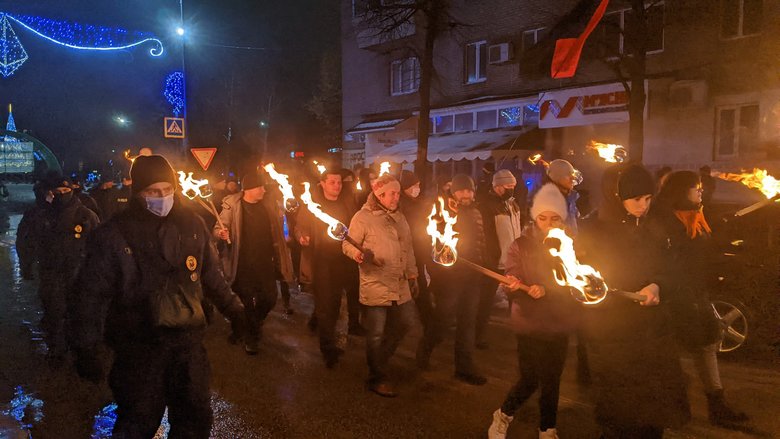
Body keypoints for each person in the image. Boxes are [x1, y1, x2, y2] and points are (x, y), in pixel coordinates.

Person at [69, 155, 246, 438]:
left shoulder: (192, 226)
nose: (162, 197)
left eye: (167, 190)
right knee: (137, 421)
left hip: (188, 347)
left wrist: (235, 311)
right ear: (138, 192)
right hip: (139, 349)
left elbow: (212, 277)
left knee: (195, 419)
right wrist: (85, 346)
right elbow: (90, 294)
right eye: (153, 191)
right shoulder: (115, 234)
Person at [574, 164, 690, 438]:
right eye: (636, 199)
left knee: (653, 412)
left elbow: (675, 268)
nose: (643, 206)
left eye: (648, 199)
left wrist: (659, 284)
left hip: (653, 333)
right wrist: (591, 292)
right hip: (614, 335)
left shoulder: (660, 225)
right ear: (619, 196)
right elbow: (581, 278)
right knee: (621, 415)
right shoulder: (595, 228)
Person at [651, 170, 748, 428]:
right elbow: (670, 261)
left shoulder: (698, 216)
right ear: (681, 190)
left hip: (696, 292)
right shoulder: (665, 220)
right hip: (675, 296)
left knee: (707, 343)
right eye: (696, 187)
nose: (700, 191)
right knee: (673, 350)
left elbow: (704, 253)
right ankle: (668, 405)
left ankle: (717, 404)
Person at [487, 182, 580, 439]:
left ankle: (547, 428)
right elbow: (511, 275)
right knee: (530, 378)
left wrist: (548, 288)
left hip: (559, 320)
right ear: (535, 217)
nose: (548, 223)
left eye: (554, 218)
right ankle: (503, 414)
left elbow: (574, 281)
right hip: (530, 321)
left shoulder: (568, 245)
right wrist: (514, 284)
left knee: (552, 379)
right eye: (543, 218)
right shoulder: (521, 245)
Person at [342, 174, 417, 397]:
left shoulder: (400, 217)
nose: (397, 197)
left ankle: (379, 360)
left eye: (397, 192)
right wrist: (359, 254)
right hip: (375, 282)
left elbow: (409, 249)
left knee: (405, 322)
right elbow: (347, 244)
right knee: (375, 332)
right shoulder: (362, 217)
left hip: (400, 283)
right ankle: (377, 377)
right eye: (393, 193)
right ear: (379, 194)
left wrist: (413, 275)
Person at [417, 174, 488, 385]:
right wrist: (442, 269)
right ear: (453, 192)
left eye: (469, 190)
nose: (465, 194)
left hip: (473, 276)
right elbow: (434, 246)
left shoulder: (476, 212)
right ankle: (424, 350)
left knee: (468, 321)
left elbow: (481, 242)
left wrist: (483, 263)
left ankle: (464, 367)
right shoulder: (444, 213)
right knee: (444, 319)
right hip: (451, 277)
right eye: (461, 190)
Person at [215, 170, 294, 355]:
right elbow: (220, 226)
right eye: (260, 187)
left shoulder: (269, 206)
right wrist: (221, 233)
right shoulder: (232, 205)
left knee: (269, 298)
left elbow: (281, 222)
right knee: (247, 302)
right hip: (242, 262)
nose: (264, 191)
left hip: (265, 261)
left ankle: (251, 325)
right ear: (249, 189)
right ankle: (251, 337)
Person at [26, 176, 100, 364]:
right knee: (54, 312)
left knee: (81, 313)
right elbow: (28, 241)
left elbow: (100, 246)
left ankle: (81, 349)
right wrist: (27, 265)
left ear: (72, 191)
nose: (62, 196)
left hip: (79, 273)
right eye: (57, 193)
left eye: (65, 192)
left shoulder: (86, 215)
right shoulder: (41, 215)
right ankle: (57, 350)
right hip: (51, 273)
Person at [295, 167, 363, 368]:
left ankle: (319, 321)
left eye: (339, 182)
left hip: (346, 259)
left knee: (340, 299)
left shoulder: (348, 202)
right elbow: (300, 225)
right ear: (323, 183)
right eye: (332, 182)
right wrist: (302, 236)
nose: (336, 186)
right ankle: (327, 348)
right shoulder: (313, 205)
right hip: (322, 260)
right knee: (328, 305)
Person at [476, 169, 524, 349]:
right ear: (497, 187)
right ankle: (478, 334)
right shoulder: (486, 206)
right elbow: (486, 235)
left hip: (512, 260)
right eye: (508, 186)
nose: (511, 189)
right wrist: (489, 257)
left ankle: (519, 330)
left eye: (513, 186)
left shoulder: (512, 204)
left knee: (516, 298)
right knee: (485, 300)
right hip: (494, 260)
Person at [399, 170, 434, 329]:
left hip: (421, 249)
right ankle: (426, 318)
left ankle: (427, 317)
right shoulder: (401, 205)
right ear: (406, 187)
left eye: (418, 185)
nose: (417, 188)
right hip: (409, 251)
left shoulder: (419, 202)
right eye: (414, 185)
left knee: (420, 283)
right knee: (416, 283)